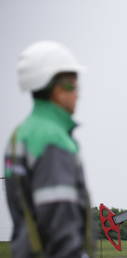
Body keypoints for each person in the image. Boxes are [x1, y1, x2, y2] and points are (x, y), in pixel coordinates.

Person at [4, 41, 94, 258]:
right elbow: (59, 223)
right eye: (73, 85)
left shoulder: (20, 136)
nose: (77, 94)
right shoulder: (52, 139)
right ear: (56, 88)